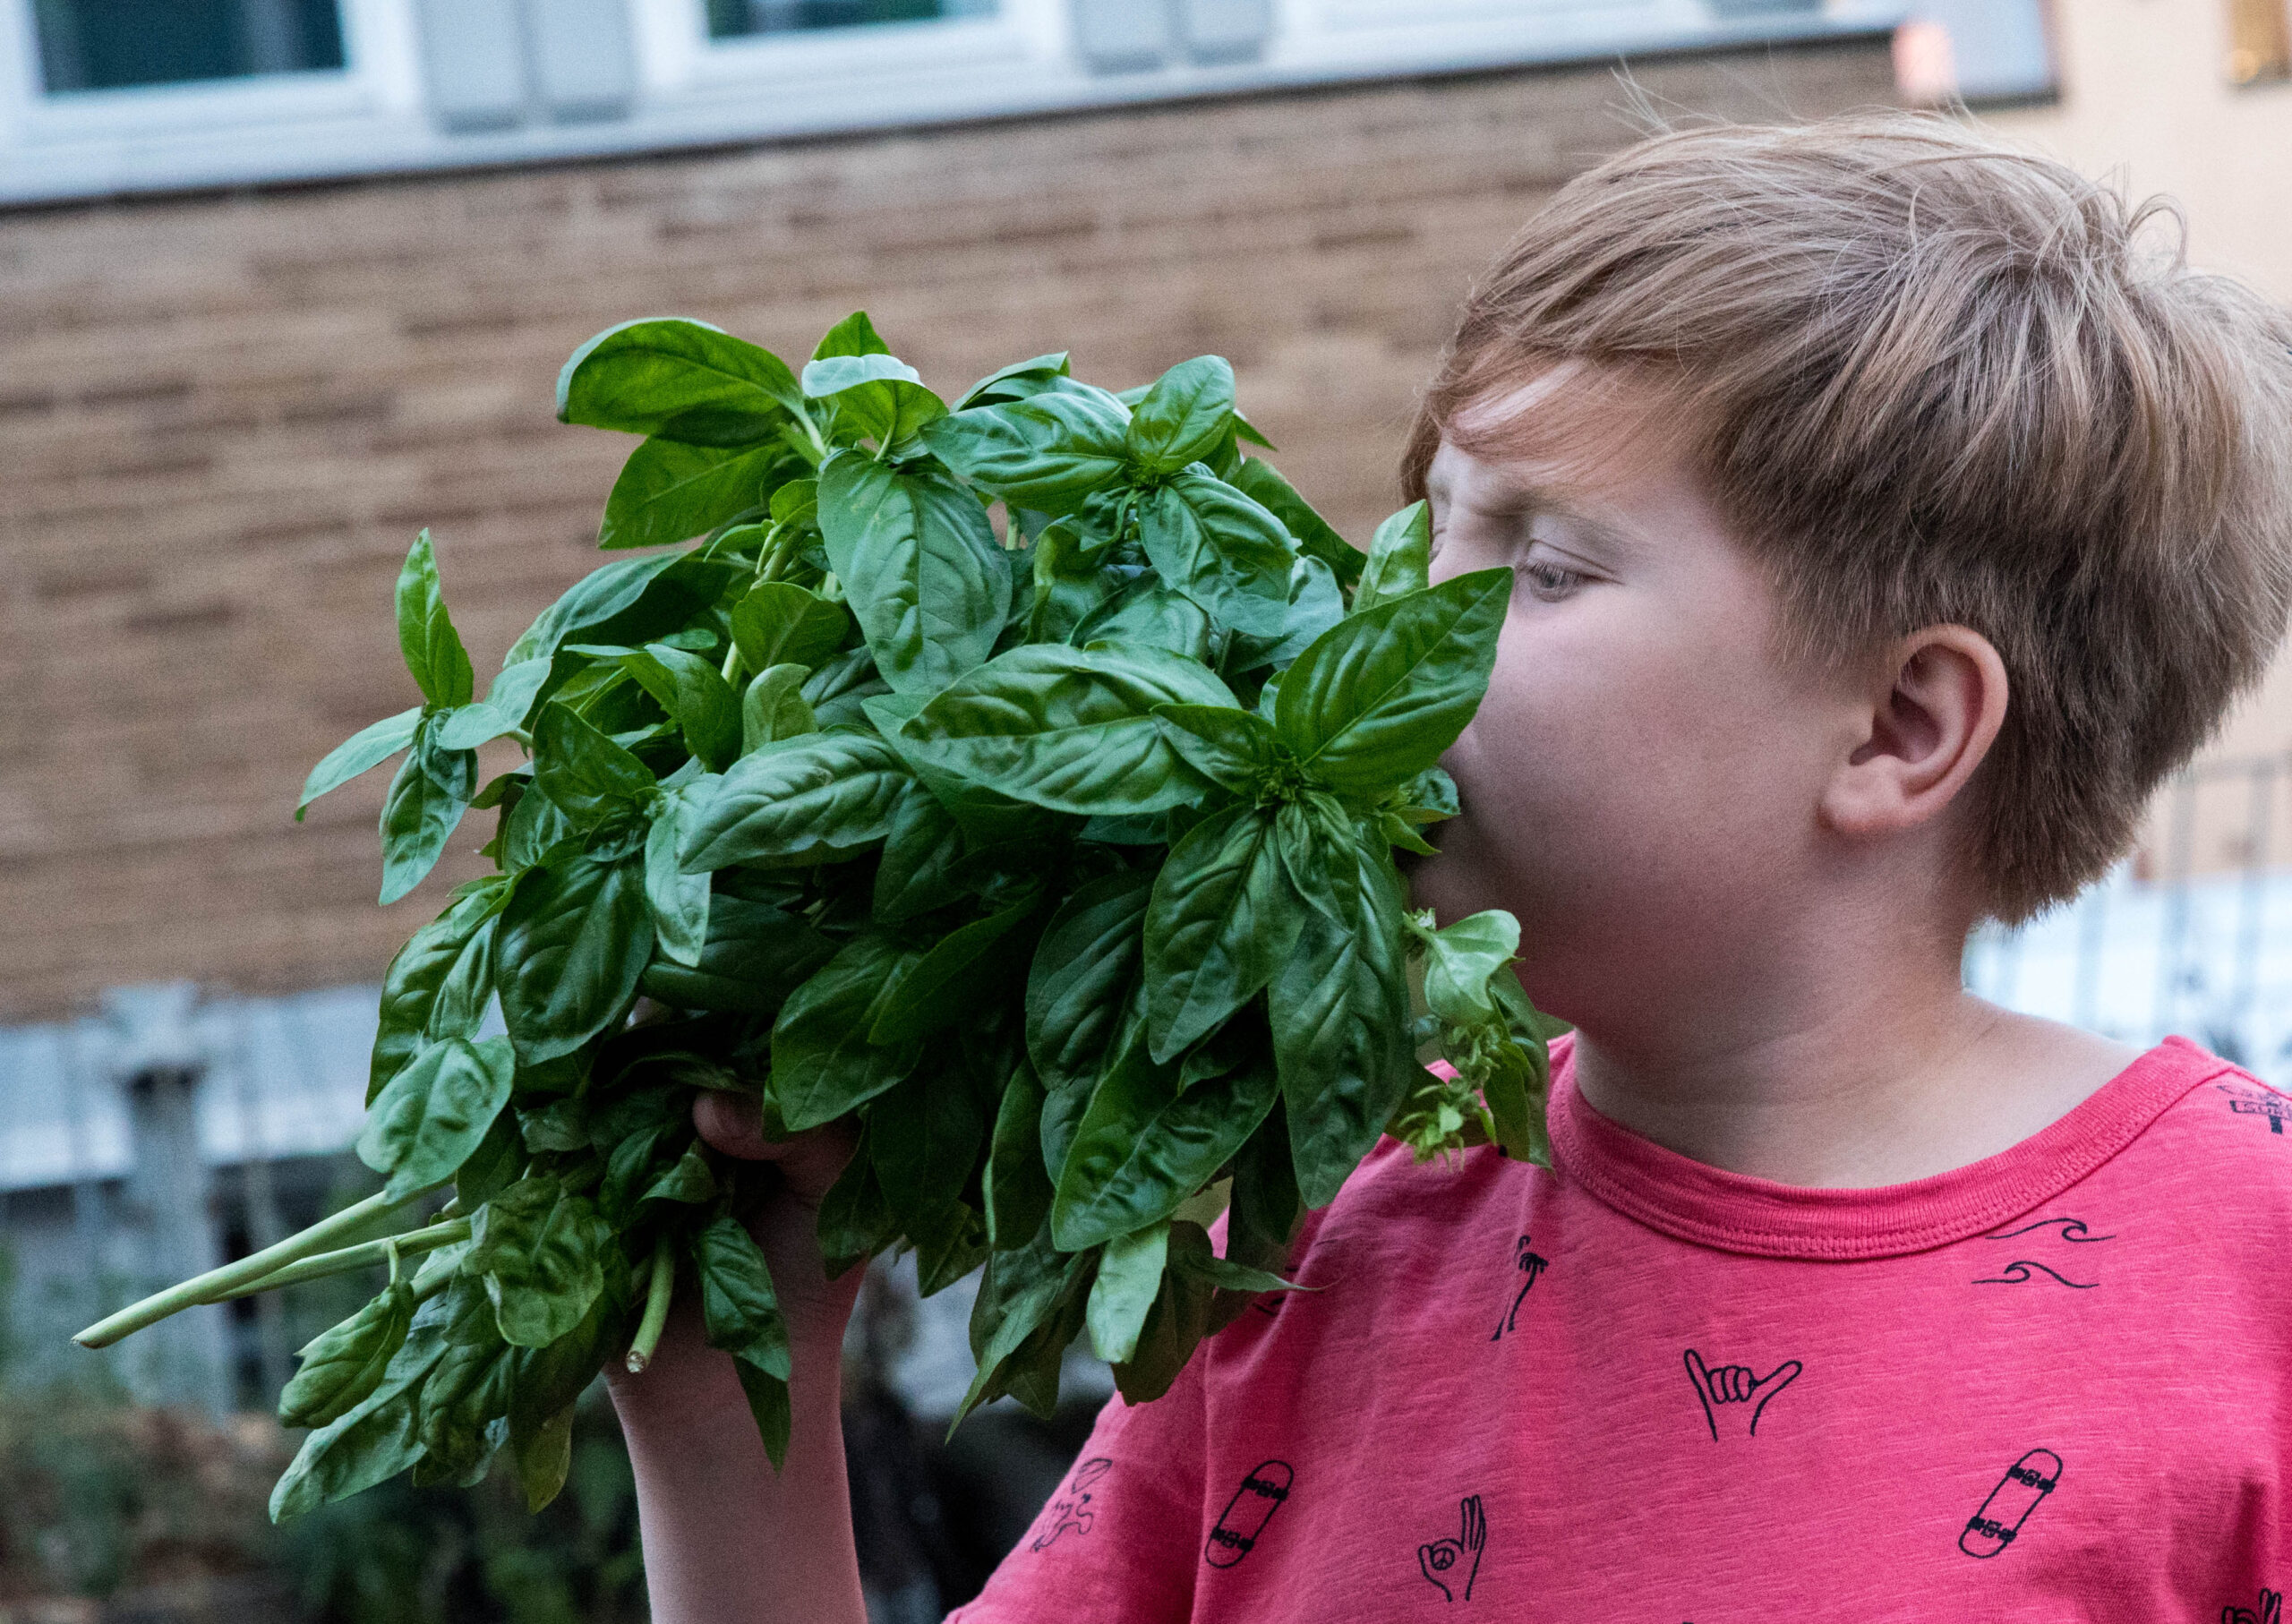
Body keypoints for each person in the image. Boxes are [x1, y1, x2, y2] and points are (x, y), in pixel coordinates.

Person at [604, 110, 2292, 1620]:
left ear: (1896, 729)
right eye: (1429, 526)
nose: (1391, 616)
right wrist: (721, 1422)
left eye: (1542, 566)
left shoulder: (2247, 1268)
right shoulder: (1326, 1206)